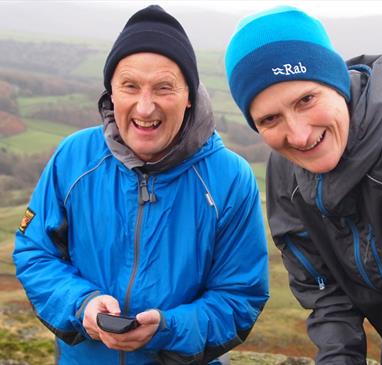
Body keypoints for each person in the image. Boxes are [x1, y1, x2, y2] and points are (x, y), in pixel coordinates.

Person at [13, 5, 269, 365]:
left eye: (164, 87)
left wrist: (168, 328)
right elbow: (35, 252)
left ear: (190, 95)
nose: (145, 108)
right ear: (111, 92)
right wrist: (81, 305)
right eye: (130, 86)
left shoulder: (230, 179)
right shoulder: (74, 157)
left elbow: (240, 296)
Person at [225, 5, 382, 365]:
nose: (300, 135)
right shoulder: (286, 170)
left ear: (336, 80)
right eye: (270, 119)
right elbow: (326, 296)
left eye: (306, 99)